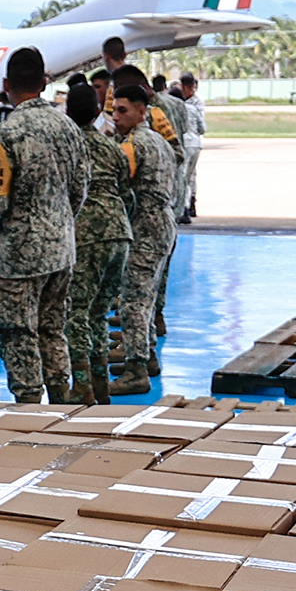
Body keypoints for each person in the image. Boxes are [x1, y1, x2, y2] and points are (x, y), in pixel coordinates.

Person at [0, 47, 87, 404]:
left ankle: (27, 408)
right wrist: (60, 222)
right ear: (44, 83)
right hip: (62, 247)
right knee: (52, 327)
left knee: (16, 331)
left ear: (6, 84)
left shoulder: (6, 135)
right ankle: (60, 398)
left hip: (20, 253)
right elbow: (80, 189)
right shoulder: (69, 127)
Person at [61, 80, 132, 405]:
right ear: (95, 111)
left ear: (67, 111)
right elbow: (125, 189)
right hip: (119, 233)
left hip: (86, 235)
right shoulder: (111, 146)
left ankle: (82, 386)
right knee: (99, 311)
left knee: (77, 312)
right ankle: (101, 384)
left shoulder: (69, 146)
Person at [107, 83, 176, 395]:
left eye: (123, 110)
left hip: (145, 227)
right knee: (146, 296)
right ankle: (146, 355)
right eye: (114, 110)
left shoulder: (133, 145)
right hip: (164, 223)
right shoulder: (160, 141)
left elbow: (123, 191)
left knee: (133, 298)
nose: (116, 116)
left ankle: (135, 369)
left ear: (141, 111)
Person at [178, 72, 206, 219]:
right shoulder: (194, 106)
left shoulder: (186, 105)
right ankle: (189, 204)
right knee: (189, 176)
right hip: (195, 143)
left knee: (184, 176)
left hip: (186, 143)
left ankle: (186, 207)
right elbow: (203, 127)